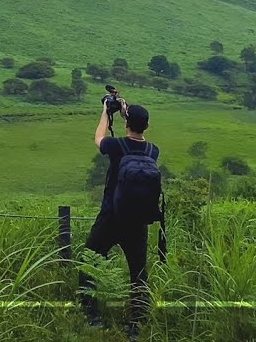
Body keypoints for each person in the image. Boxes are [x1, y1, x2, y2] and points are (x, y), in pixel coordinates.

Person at [80, 85, 160, 339]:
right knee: (138, 273)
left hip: (111, 217)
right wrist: (128, 113)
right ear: (147, 126)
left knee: (89, 261)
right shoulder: (153, 151)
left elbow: (98, 138)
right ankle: (136, 325)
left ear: (126, 123)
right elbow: (136, 132)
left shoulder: (116, 146)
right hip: (138, 222)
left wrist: (107, 111)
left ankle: (91, 316)